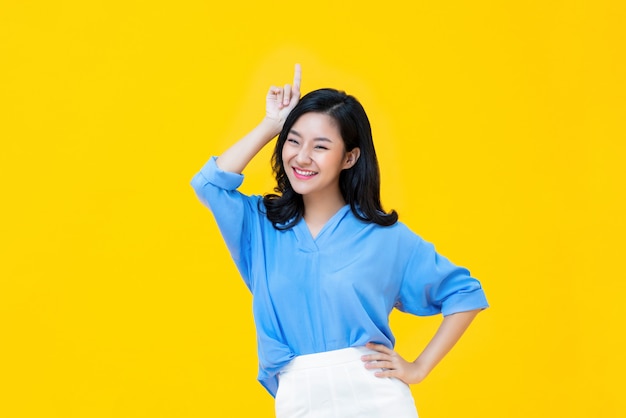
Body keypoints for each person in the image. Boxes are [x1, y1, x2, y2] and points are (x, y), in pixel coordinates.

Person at [191, 64, 488, 417]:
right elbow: (208, 184)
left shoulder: (384, 238)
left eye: (320, 146)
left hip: (376, 400)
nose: (302, 157)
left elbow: (465, 293)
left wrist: (418, 368)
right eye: (294, 141)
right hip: (298, 398)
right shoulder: (260, 226)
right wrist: (272, 125)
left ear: (349, 157)